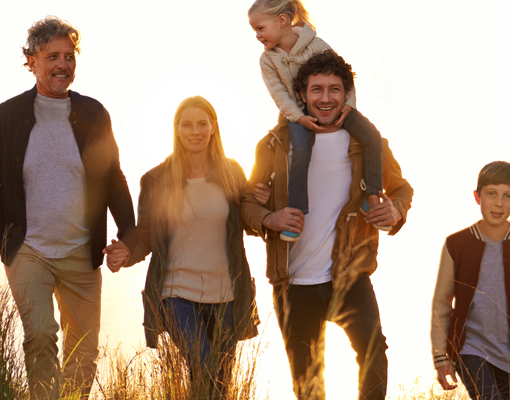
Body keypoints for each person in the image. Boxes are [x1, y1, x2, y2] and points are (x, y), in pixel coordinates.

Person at [0, 16, 136, 397]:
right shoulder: (8, 115)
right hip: (27, 249)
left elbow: (113, 179)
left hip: (82, 251)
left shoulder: (94, 114)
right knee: (41, 335)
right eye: (52, 56)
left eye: (69, 56)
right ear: (32, 61)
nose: (63, 64)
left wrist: (129, 238)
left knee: (83, 350)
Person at [242, 50, 413, 400]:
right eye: (316, 89)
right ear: (302, 95)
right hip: (294, 283)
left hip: (350, 275)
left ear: (346, 94)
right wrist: (269, 218)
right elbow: (247, 205)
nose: (325, 98)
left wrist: (395, 210)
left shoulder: (369, 145)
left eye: (334, 89)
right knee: (308, 385)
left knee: (374, 355)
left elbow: (401, 189)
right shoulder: (275, 144)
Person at [103, 96, 261, 399]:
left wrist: (267, 204)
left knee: (219, 383)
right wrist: (125, 252)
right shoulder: (157, 179)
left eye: (202, 123)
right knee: (203, 365)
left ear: (213, 127)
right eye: (187, 124)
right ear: (176, 130)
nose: (195, 131)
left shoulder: (232, 173)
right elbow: (146, 234)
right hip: (176, 293)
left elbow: (250, 221)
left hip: (226, 294)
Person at [247, 0, 387, 241]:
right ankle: (298, 211)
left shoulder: (315, 44)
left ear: (281, 21)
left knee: (371, 135)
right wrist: (299, 118)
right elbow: (279, 95)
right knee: (301, 147)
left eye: (260, 28)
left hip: (337, 108)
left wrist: (348, 106)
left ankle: (371, 195)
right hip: (296, 113)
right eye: (255, 31)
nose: (257, 35)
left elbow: (345, 76)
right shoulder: (267, 60)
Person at [429, 161, 510, 400]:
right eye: (491, 194)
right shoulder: (456, 245)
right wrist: (441, 356)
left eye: (507, 196)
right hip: (468, 350)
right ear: (478, 197)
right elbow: (441, 304)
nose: (498, 203)